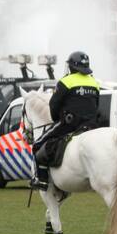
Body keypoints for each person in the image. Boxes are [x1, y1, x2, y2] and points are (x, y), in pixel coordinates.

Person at [30, 51, 100, 191]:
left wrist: (57, 119)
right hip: (91, 125)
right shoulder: (94, 82)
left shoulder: (66, 81)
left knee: (37, 144)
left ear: (72, 67)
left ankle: (42, 180)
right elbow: (96, 105)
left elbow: (54, 105)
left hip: (70, 124)